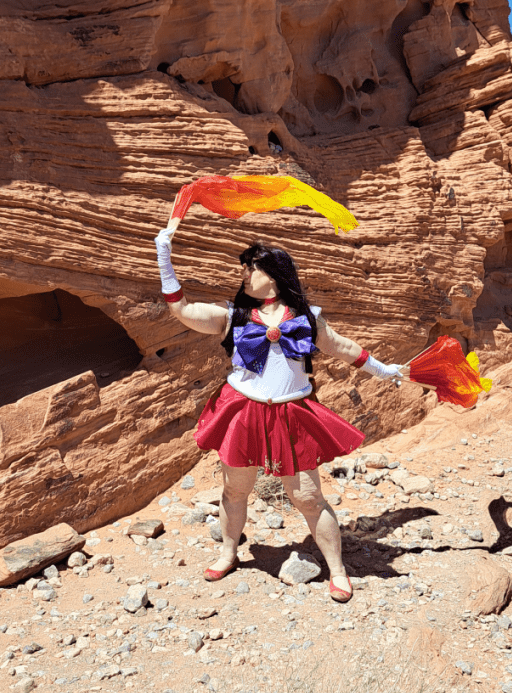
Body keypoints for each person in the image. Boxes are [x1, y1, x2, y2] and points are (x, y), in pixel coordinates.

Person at [154, 226, 407, 603]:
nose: (243, 274)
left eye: (249, 268)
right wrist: (164, 257)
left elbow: (341, 346)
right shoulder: (232, 316)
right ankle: (228, 552)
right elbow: (183, 310)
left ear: (271, 275)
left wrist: (383, 369)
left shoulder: (306, 318)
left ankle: (337, 570)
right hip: (243, 412)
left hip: (292, 415)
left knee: (307, 498)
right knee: (235, 490)